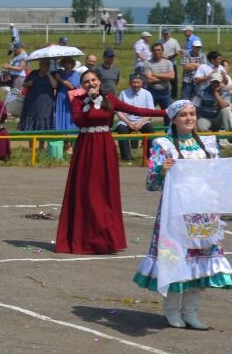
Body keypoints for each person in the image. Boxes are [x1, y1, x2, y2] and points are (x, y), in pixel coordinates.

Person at [133, 100, 232, 329]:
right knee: (176, 259)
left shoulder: (208, 145)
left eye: (192, 114)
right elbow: (151, 183)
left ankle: (191, 312)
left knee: (200, 261)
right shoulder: (163, 144)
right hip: (176, 212)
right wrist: (162, 170)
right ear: (173, 119)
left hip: (204, 211)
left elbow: (218, 177)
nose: (189, 118)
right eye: (183, 115)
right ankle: (172, 310)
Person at [55, 69, 167, 255]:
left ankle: (106, 239)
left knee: (105, 192)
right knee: (86, 192)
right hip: (86, 149)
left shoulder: (110, 99)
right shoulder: (77, 100)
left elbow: (137, 111)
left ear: (99, 81)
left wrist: (166, 110)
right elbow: (78, 121)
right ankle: (83, 239)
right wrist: (90, 102)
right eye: (86, 82)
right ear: (82, 86)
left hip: (105, 148)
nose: (91, 83)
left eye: (93, 80)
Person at [114, 73, 157, 162]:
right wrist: (128, 122)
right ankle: (127, 157)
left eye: (138, 82)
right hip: (126, 121)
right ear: (130, 83)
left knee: (150, 128)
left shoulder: (147, 94)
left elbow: (151, 112)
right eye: (134, 82)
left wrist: (140, 123)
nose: (136, 85)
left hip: (142, 121)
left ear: (142, 83)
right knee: (121, 129)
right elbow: (118, 110)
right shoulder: (123, 93)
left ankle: (150, 156)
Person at [143, 42, 175, 109]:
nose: (157, 52)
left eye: (159, 50)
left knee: (168, 113)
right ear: (152, 51)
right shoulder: (147, 63)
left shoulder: (168, 63)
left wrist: (155, 75)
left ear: (162, 51)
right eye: (154, 50)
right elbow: (150, 80)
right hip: (152, 92)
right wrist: (166, 77)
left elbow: (172, 76)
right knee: (148, 113)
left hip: (165, 93)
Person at [159, 28, 182, 99]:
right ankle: (162, 94)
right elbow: (157, 52)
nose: (166, 35)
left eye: (167, 33)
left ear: (169, 33)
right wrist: (165, 57)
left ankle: (174, 96)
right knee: (162, 79)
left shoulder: (174, 41)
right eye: (164, 34)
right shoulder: (160, 42)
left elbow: (178, 51)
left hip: (172, 63)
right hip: (162, 63)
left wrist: (170, 57)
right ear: (162, 34)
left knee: (174, 81)